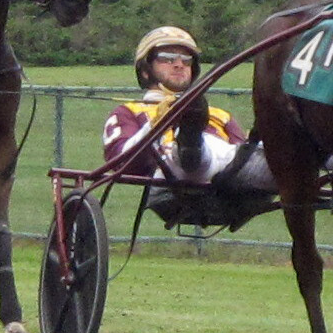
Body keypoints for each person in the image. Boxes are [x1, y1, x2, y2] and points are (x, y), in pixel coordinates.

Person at [94, 25, 275, 214]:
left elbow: (241, 156)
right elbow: (120, 161)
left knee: (271, 158)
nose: (179, 64)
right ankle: (190, 143)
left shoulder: (220, 115)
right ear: (146, 70)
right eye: (167, 58)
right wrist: (156, 123)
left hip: (231, 177)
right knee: (190, 155)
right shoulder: (129, 111)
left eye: (186, 60)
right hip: (171, 180)